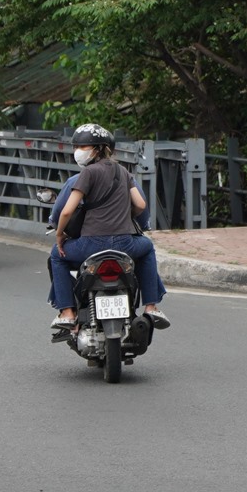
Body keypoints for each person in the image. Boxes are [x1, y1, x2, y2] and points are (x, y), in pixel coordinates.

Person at [50, 124, 170, 334]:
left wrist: (60, 235)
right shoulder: (122, 171)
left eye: (83, 146)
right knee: (147, 247)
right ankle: (151, 307)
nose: (78, 150)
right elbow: (141, 205)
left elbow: (67, 211)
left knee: (57, 256)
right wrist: (125, 217)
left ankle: (68, 313)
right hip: (125, 245)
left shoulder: (87, 173)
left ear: (97, 149)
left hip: (90, 245)